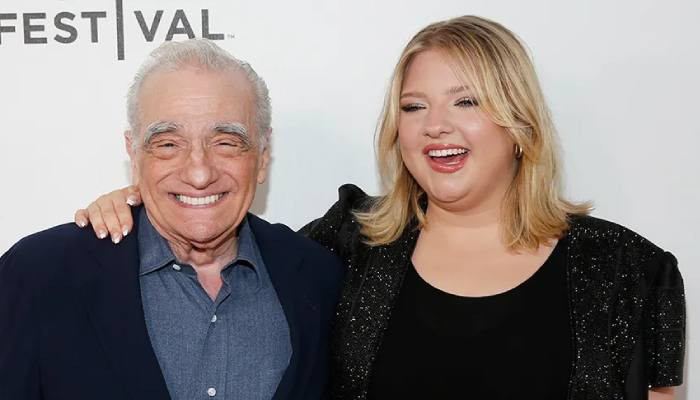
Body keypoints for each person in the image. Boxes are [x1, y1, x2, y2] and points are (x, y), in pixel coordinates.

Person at [75, 16, 685, 400]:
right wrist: (137, 203)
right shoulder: (351, 243)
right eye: (414, 107)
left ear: (520, 122)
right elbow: (220, 230)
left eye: (466, 101)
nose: (435, 126)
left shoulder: (628, 271)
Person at [0, 40, 344, 400]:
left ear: (262, 155)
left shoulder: (320, 278)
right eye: (168, 144)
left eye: (226, 142)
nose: (199, 173)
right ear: (134, 154)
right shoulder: (40, 276)